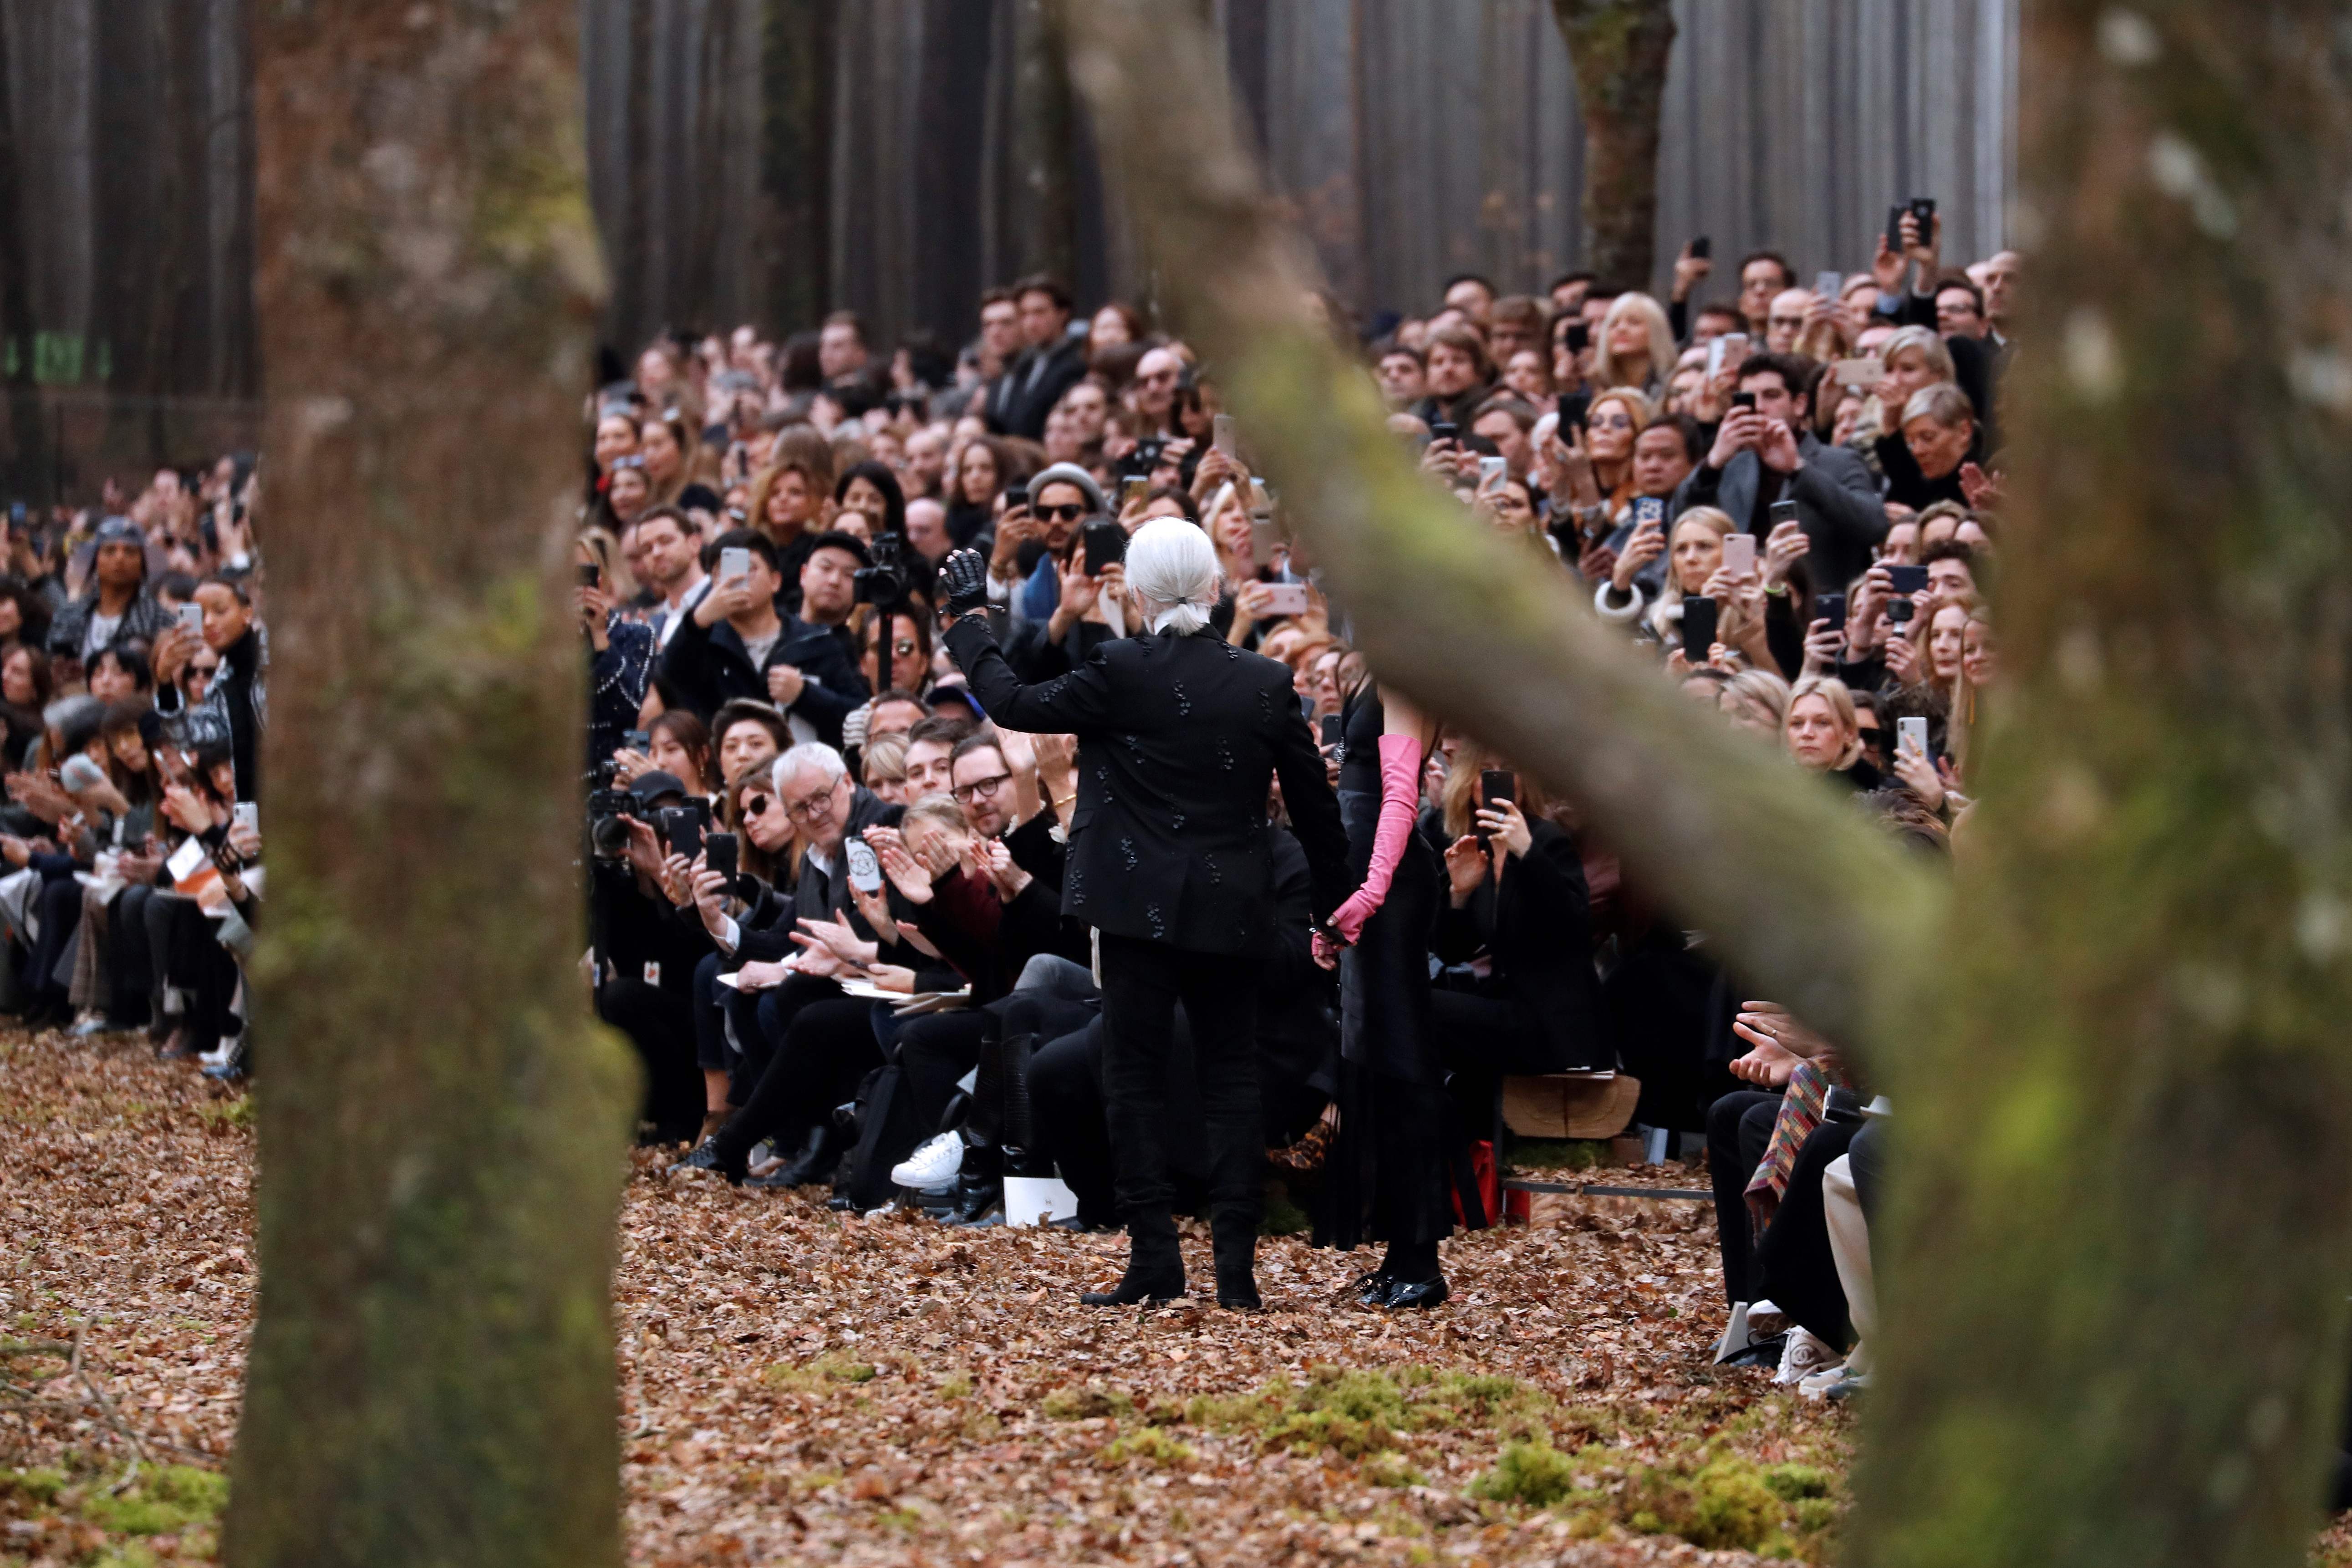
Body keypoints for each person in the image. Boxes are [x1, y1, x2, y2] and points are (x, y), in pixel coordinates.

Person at [933, 520, 1349, 1309]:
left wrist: (969, 621)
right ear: (1214, 589)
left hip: (1134, 909)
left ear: (1138, 592)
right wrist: (1336, 908)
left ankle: (1155, 1258)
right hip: (1231, 908)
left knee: (1132, 1081)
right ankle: (1235, 1274)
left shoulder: (1120, 668)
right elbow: (1314, 810)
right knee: (1230, 1082)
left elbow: (1013, 704)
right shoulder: (1265, 681)